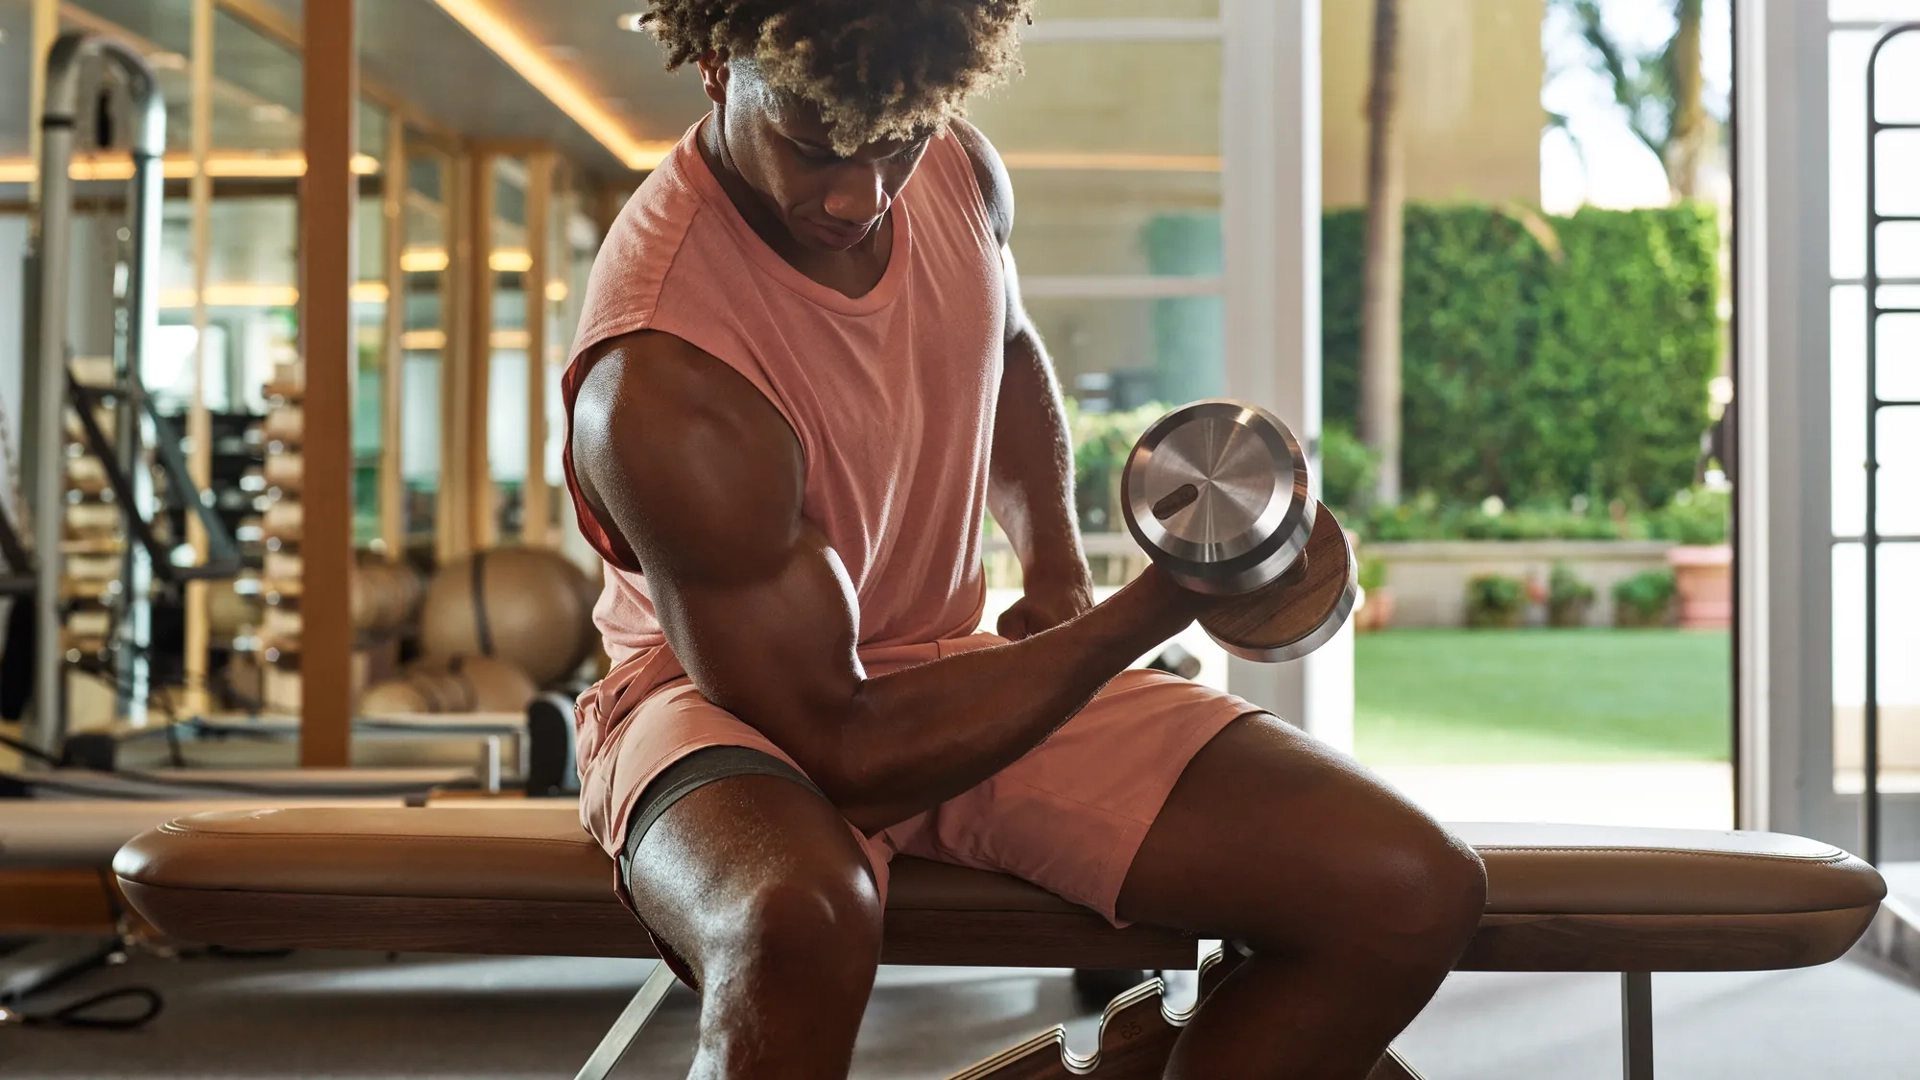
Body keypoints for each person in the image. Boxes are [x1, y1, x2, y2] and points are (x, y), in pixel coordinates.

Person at [563, 3, 1485, 1077]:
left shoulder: (958, 169)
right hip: (717, 703)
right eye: (813, 146)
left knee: (1403, 888)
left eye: (897, 143)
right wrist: (1153, 606)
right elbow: (846, 756)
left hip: (945, 665)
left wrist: (1055, 570)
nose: (861, 195)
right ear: (720, 68)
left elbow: (999, 345)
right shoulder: (659, 376)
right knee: (797, 921)